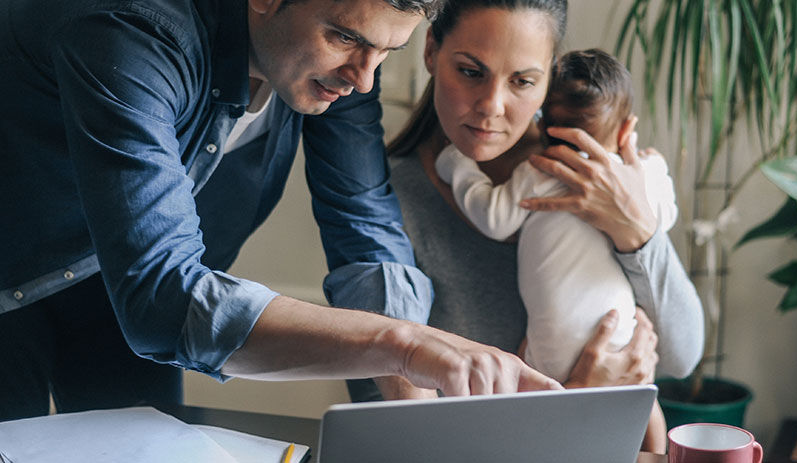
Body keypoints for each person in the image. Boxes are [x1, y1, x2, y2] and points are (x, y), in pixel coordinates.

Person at [0, 0, 563, 422]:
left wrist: (414, 412)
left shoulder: (350, 53)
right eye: (344, 38)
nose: (364, 78)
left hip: (116, 296)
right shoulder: (134, 25)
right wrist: (406, 344)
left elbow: (362, 218)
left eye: (385, 52)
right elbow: (161, 296)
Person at [349, 0, 706, 453]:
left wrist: (638, 233)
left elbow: (681, 357)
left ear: (549, 81)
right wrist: (571, 401)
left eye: (522, 81)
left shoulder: (598, 175)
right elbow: (391, 427)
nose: (491, 107)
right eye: (471, 71)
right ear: (431, 51)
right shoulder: (380, 204)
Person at [434, 48, 680, 382]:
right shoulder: (637, 179)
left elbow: (494, 217)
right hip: (620, 335)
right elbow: (665, 218)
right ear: (626, 131)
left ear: (541, 120)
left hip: (549, 352)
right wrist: (657, 169)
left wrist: (458, 166)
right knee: (643, 401)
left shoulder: (539, 172)